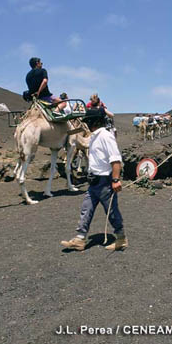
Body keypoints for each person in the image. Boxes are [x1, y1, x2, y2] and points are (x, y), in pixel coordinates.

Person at [61, 107, 126, 251]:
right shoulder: (94, 136)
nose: (87, 124)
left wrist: (115, 180)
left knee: (112, 212)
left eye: (89, 121)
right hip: (93, 182)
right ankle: (80, 239)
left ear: (95, 121)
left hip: (105, 182)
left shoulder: (105, 136)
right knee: (86, 208)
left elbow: (115, 159)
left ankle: (121, 238)